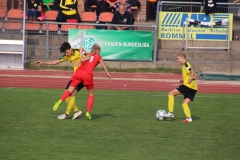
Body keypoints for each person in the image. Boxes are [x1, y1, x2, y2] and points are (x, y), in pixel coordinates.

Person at [52, 44, 111, 120]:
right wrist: (107, 73)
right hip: (88, 75)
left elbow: (82, 55)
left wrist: (80, 60)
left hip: (78, 73)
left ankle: (59, 102)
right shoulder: (98, 57)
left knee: (70, 91)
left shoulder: (88, 55)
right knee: (91, 94)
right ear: (97, 51)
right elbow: (103, 64)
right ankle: (88, 112)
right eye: (99, 51)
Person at [36, 42, 85, 120]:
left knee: (71, 95)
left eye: (67, 52)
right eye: (65, 52)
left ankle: (67, 114)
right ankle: (76, 111)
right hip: (75, 77)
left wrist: (83, 55)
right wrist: (43, 62)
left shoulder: (78, 52)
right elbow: (55, 62)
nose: (66, 54)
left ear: (70, 49)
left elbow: (87, 55)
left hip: (82, 78)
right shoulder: (67, 56)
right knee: (66, 95)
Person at [163, 51, 198, 123]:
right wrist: (184, 80)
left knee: (171, 94)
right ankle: (189, 118)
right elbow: (189, 74)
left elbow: (193, 71)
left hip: (188, 86)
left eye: (178, 58)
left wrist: (190, 79)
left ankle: (170, 113)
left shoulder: (186, 64)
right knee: (185, 103)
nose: (177, 60)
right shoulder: (184, 65)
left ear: (182, 57)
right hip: (194, 88)